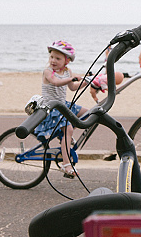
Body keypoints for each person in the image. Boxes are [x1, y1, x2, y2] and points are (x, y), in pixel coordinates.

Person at [33, 41, 88, 178]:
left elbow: (72, 87)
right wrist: (71, 78)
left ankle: (64, 136)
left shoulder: (67, 72)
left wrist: (86, 82)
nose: (53, 61)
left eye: (58, 58)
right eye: (52, 57)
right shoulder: (48, 72)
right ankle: (66, 163)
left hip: (63, 105)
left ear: (66, 61)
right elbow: (56, 82)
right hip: (51, 107)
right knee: (68, 129)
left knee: (88, 113)